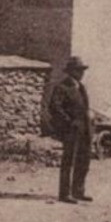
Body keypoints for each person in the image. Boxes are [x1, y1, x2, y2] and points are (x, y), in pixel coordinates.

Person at [45, 55, 94, 204]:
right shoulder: (62, 87)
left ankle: (78, 191)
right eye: (79, 70)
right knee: (69, 161)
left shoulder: (81, 87)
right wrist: (69, 122)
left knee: (83, 160)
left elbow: (84, 106)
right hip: (71, 130)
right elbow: (55, 107)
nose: (82, 73)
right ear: (71, 71)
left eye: (82, 70)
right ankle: (65, 194)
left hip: (85, 128)